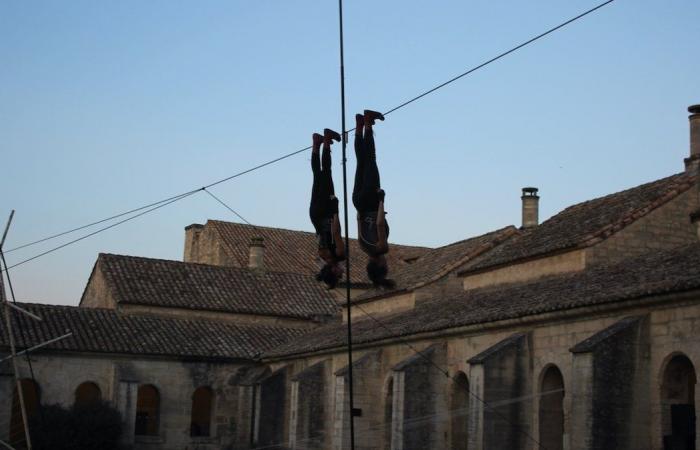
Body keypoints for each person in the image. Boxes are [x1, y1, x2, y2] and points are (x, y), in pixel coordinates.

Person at [353, 110, 395, 288]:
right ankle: (359, 125)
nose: (387, 263)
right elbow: (358, 220)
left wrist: (381, 201)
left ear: (379, 265)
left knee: (370, 159)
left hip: (371, 201)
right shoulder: (363, 246)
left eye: (385, 267)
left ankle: (368, 122)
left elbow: (379, 225)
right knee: (361, 162)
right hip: (358, 203)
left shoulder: (381, 248)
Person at [309, 128, 345, 289]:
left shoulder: (338, 255)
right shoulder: (322, 255)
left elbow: (336, 231)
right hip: (314, 214)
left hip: (326, 212)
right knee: (317, 176)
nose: (342, 273)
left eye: (339, 275)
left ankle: (326, 142)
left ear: (333, 270)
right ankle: (317, 143)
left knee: (326, 173)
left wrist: (336, 208)